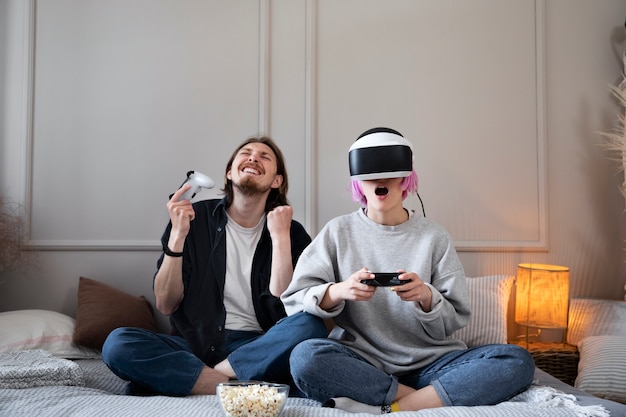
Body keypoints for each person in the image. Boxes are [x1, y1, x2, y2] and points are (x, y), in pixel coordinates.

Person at [280, 127, 535, 413]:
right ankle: (422, 400)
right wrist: (340, 290)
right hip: (361, 364)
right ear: (357, 182)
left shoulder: (434, 237)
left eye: (390, 172)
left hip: (432, 365)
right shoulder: (338, 232)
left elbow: (455, 318)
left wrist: (427, 297)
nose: (380, 179)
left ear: (406, 178)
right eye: (370, 174)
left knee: (517, 360)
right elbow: (294, 299)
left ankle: (389, 407)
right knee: (305, 357)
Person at [102, 136, 327, 396]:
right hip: (194, 346)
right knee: (118, 344)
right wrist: (177, 235)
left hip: (260, 347)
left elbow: (286, 300)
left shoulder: (291, 231)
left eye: (264, 156)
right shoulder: (192, 220)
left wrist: (279, 238)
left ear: (276, 181)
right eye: (246, 153)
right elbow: (165, 304)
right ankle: (234, 385)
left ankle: (194, 379)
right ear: (229, 173)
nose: (253, 157)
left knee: (312, 324)